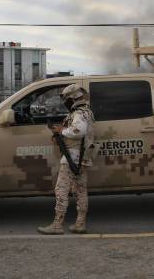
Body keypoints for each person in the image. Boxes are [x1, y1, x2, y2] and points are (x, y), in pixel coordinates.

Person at [37, 84, 95, 235]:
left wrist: (62, 131)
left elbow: (78, 131)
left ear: (73, 98)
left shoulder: (80, 113)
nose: (65, 102)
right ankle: (80, 224)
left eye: (67, 99)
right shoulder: (85, 112)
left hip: (73, 157)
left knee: (61, 189)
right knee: (80, 191)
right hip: (80, 158)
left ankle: (57, 225)